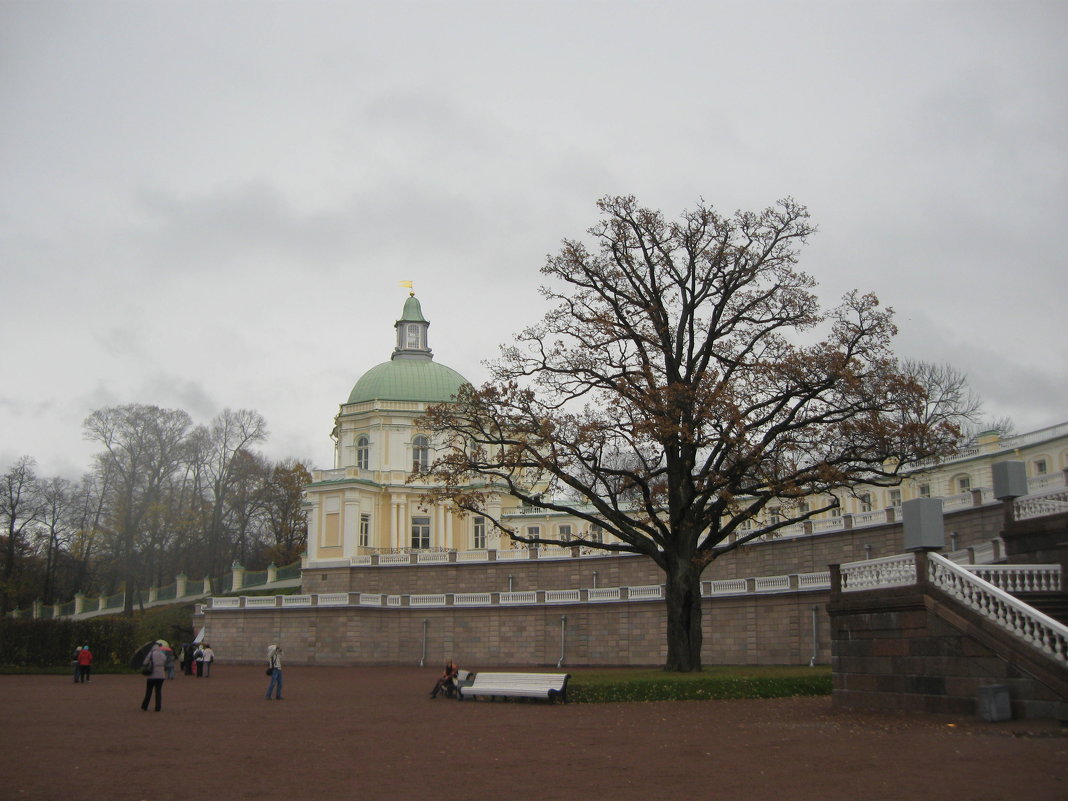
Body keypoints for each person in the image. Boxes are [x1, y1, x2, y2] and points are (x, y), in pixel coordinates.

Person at [140, 642, 167, 711]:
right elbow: (165, 660)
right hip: (161, 675)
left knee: (149, 691)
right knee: (158, 692)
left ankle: (145, 706)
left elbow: (145, 662)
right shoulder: (162, 654)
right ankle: (158, 707)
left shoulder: (151, 653)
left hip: (152, 674)